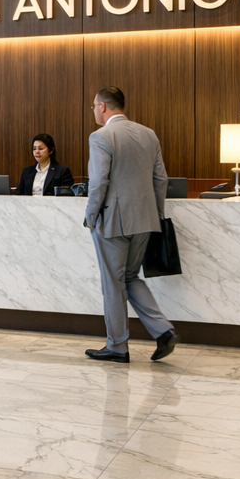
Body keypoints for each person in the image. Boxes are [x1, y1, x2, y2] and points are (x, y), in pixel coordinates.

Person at [82, 86, 177, 363]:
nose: (94, 111)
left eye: (93, 106)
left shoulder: (101, 137)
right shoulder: (149, 134)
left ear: (102, 106)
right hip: (145, 220)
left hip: (112, 221)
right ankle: (163, 330)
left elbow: (99, 182)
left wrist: (90, 216)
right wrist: (155, 214)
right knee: (130, 277)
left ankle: (117, 346)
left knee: (113, 283)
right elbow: (161, 179)